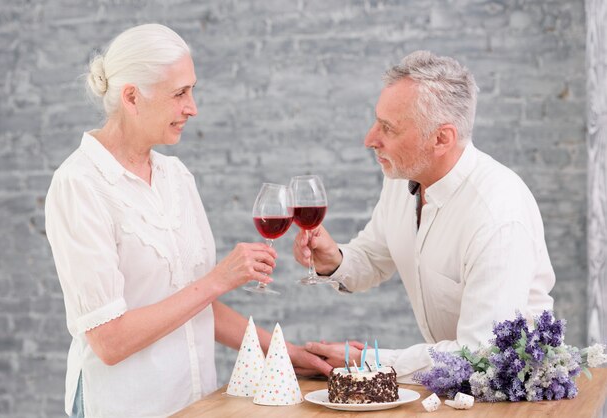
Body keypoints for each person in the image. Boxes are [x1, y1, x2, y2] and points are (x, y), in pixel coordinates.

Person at [45, 23, 328, 418]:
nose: (192, 107)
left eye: (192, 90)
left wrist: (287, 353)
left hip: (195, 404)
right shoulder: (80, 185)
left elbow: (194, 305)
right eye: (180, 93)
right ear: (131, 97)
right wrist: (217, 280)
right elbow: (109, 340)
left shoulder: (175, 176)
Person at [294, 50, 556, 382]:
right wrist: (334, 259)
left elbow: (481, 355)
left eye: (388, 128)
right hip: (451, 387)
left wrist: (369, 361)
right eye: (377, 120)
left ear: (441, 138)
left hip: (510, 394)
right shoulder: (404, 176)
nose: (370, 139)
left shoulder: (497, 216)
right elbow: (375, 257)